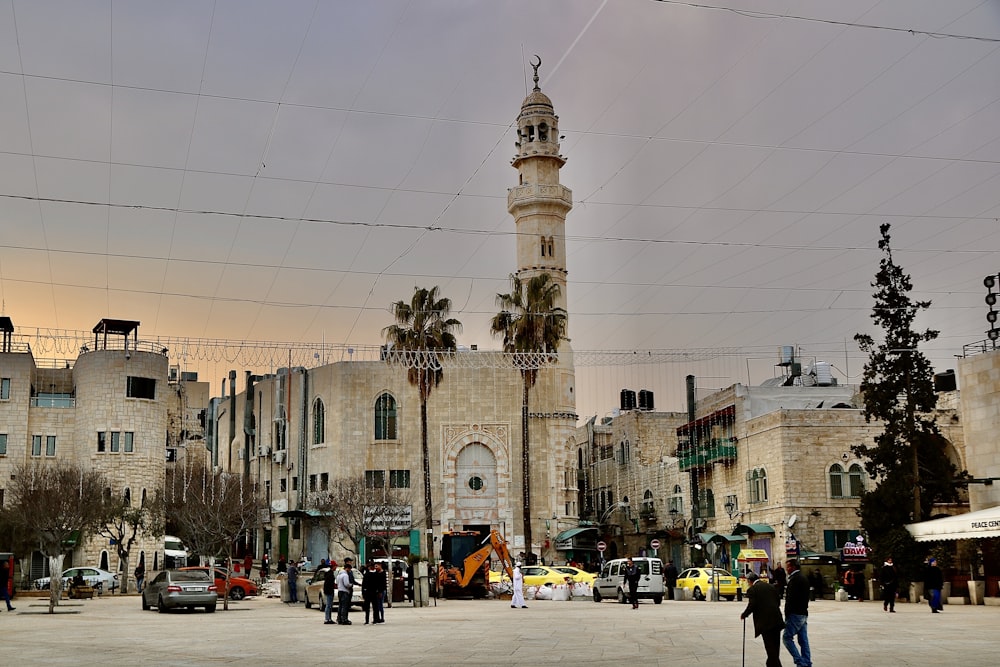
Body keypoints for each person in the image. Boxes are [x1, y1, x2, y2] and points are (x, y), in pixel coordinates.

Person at [740, 571, 784, 667]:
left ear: (750, 581)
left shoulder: (752, 589)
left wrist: (744, 614)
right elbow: (778, 602)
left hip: (765, 623)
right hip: (777, 620)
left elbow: (752, 605)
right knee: (775, 647)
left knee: (770, 648)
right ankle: (770, 664)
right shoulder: (771, 586)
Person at [782, 559, 811, 667]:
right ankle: (807, 662)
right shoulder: (804, 578)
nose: (787, 569)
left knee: (786, 638)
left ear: (793, 567)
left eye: (788, 567)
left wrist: (787, 613)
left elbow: (791, 599)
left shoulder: (794, 580)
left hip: (795, 614)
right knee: (803, 640)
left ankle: (800, 662)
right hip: (803, 612)